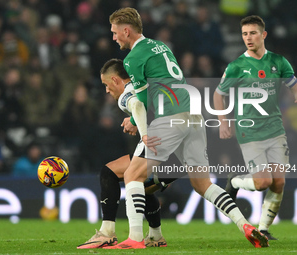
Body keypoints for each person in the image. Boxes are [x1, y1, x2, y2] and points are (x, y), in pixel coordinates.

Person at [106, 7, 268, 249]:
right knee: (202, 184)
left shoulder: (133, 59)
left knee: (132, 175)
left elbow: (142, 103)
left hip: (170, 117)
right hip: (193, 115)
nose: (113, 37)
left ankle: (135, 238)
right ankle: (244, 224)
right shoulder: (161, 46)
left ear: (126, 31)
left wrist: (136, 123)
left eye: (115, 32)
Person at [213, 15, 297, 240]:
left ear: (263, 34)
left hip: (276, 130)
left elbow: (294, 87)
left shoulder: (279, 62)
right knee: (263, 182)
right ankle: (235, 181)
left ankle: (264, 229)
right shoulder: (237, 66)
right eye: (244, 34)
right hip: (249, 132)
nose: (248, 38)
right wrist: (223, 122)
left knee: (279, 181)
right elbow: (218, 95)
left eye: (252, 33)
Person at [77, 59, 175, 249]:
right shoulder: (144, 87)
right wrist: (133, 121)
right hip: (181, 147)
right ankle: (155, 235)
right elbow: (149, 106)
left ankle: (110, 233)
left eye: (106, 85)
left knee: (116, 175)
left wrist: (144, 134)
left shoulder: (127, 95)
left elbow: (138, 106)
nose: (106, 90)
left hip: (164, 149)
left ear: (115, 80)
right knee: (140, 187)